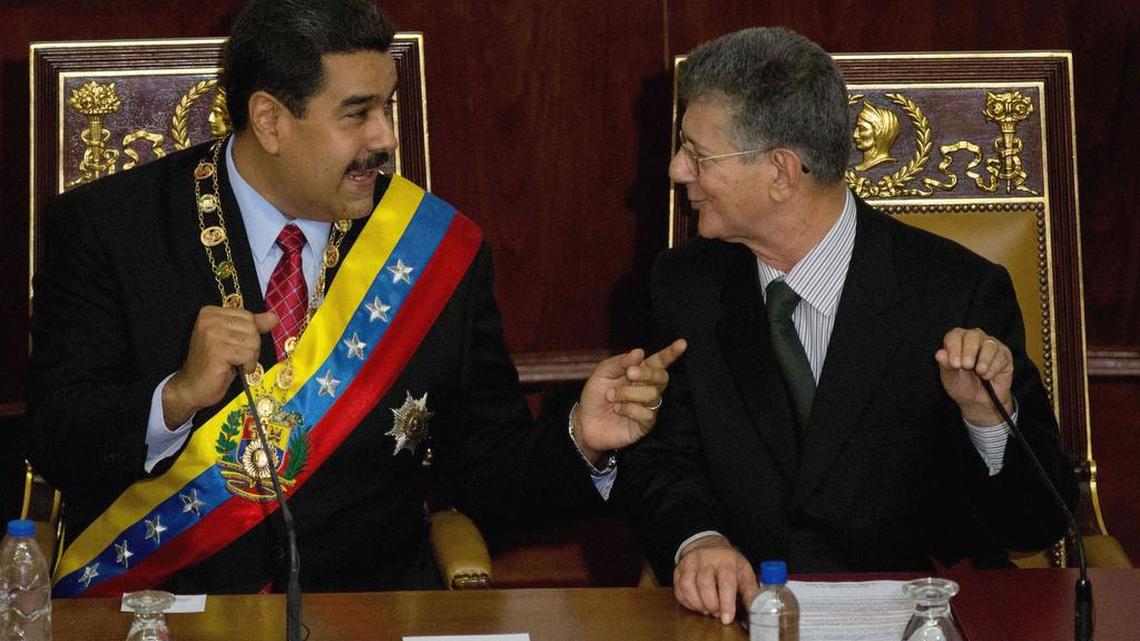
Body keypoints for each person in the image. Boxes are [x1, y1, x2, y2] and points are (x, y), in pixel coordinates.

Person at [25, 0, 684, 597]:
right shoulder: (109, 228)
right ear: (270, 120)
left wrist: (582, 440)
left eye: (387, 107)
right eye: (357, 113)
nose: (385, 139)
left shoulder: (432, 250)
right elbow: (56, 438)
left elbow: (488, 472)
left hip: (368, 606)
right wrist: (177, 396)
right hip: (169, 607)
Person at [613, 27, 1075, 624]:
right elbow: (660, 458)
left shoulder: (956, 293)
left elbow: (1034, 523)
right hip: (744, 618)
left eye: (698, 155)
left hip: (917, 623)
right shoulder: (684, 286)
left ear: (781, 172)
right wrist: (698, 540)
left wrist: (986, 417)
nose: (677, 171)